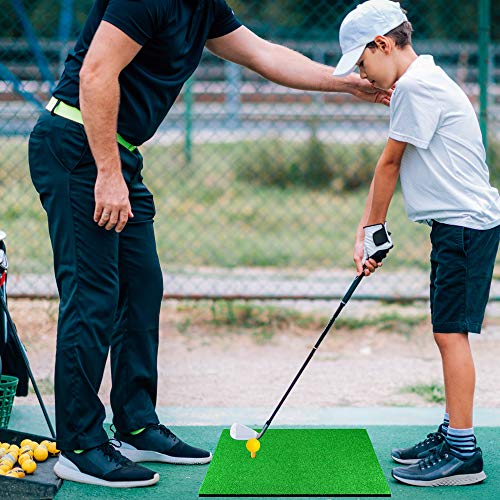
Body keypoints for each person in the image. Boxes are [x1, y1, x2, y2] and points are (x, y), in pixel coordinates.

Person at [28, 0, 390, 489]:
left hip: (118, 152)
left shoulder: (203, 7)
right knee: (93, 297)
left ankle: (136, 425)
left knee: (141, 288)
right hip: (79, 146)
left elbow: (263, 55)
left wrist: (344, 82)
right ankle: (80, 445)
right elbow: (95, 74)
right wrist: (108, 174)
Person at [333, 0, 499, 488]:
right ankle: (452, 434)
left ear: (382, 44)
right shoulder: (423, 80)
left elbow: (389, 165)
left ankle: (464, 452)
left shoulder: (415, 87)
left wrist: (369, 231)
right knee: (448, 331)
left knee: (451, 334)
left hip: (464, 227)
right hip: (457, 226)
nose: (365, 76)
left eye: (363, 64)